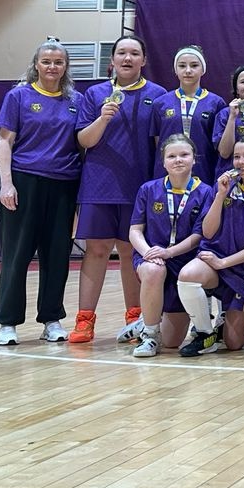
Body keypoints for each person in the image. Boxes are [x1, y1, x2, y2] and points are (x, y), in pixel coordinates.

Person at [72, 35, 165, 345]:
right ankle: (85, 319)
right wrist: (102, 118)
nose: (128, 58)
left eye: (134, 53)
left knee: (130, 252)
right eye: (122, 53)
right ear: (111, 60)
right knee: (97, 250)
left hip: (139, 189)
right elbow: (84, 140)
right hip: (99, 185)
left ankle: (135, 318)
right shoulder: (95, 94)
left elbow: (160, 145)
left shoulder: (157, 95)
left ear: (144, 60)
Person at [0, 38, 83, 346]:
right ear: (36, 65)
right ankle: (7, 323)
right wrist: (6, 184)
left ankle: (51, 320)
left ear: (66, 66)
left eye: (58, 62)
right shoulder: (18, 96)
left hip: (64, 184)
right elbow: (5, 142)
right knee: (16, 255)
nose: (52, 67)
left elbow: (82, 143)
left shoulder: (76, 100)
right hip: (25, 181)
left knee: (57, 256)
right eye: (46, 61)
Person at [176, 132, 244, 354]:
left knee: (234, 344)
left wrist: (224, 262)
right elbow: (208, 232)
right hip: (214, 261)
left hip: (242, 270)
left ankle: (228, 319)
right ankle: (205, 334)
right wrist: (220, 196)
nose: (241, 162)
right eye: (237, 157)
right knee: (188, 275)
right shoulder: (223, 186)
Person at [126, 135, 214, 358]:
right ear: (163, 162)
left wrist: (169, 252)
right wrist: (147, 253)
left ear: (194, 159)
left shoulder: (206, 192)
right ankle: (149, 334)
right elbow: (135, 230)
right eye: (171, 156)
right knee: (154, 270)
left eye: (184, 155)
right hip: (152, 256)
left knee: (173, 342)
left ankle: (143, 322)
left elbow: (198, 235)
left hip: (183, 259)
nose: (178, 160)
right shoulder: (148, 189)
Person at [149, 46, 223, 184]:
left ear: (203, 69)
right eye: (182, 66)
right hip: (167, 172)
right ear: (175, 70)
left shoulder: (216, 103)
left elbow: (218, 145)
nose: (188, 70)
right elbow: (158, 142)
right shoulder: (161, 103)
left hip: (202, 171)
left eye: (194, 65)